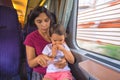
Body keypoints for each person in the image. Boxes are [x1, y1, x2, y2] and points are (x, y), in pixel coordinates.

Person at [24, 6, 67, 80]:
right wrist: (38, 59)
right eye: (39, 21)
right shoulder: (30, 38)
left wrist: (64, 60)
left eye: (46, 20)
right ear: (34, 22)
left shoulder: (57, 33)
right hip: (41, 73)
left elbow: (65, 52)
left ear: (50, 20)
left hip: (60, 71)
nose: (44, 25)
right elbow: (30, 63)